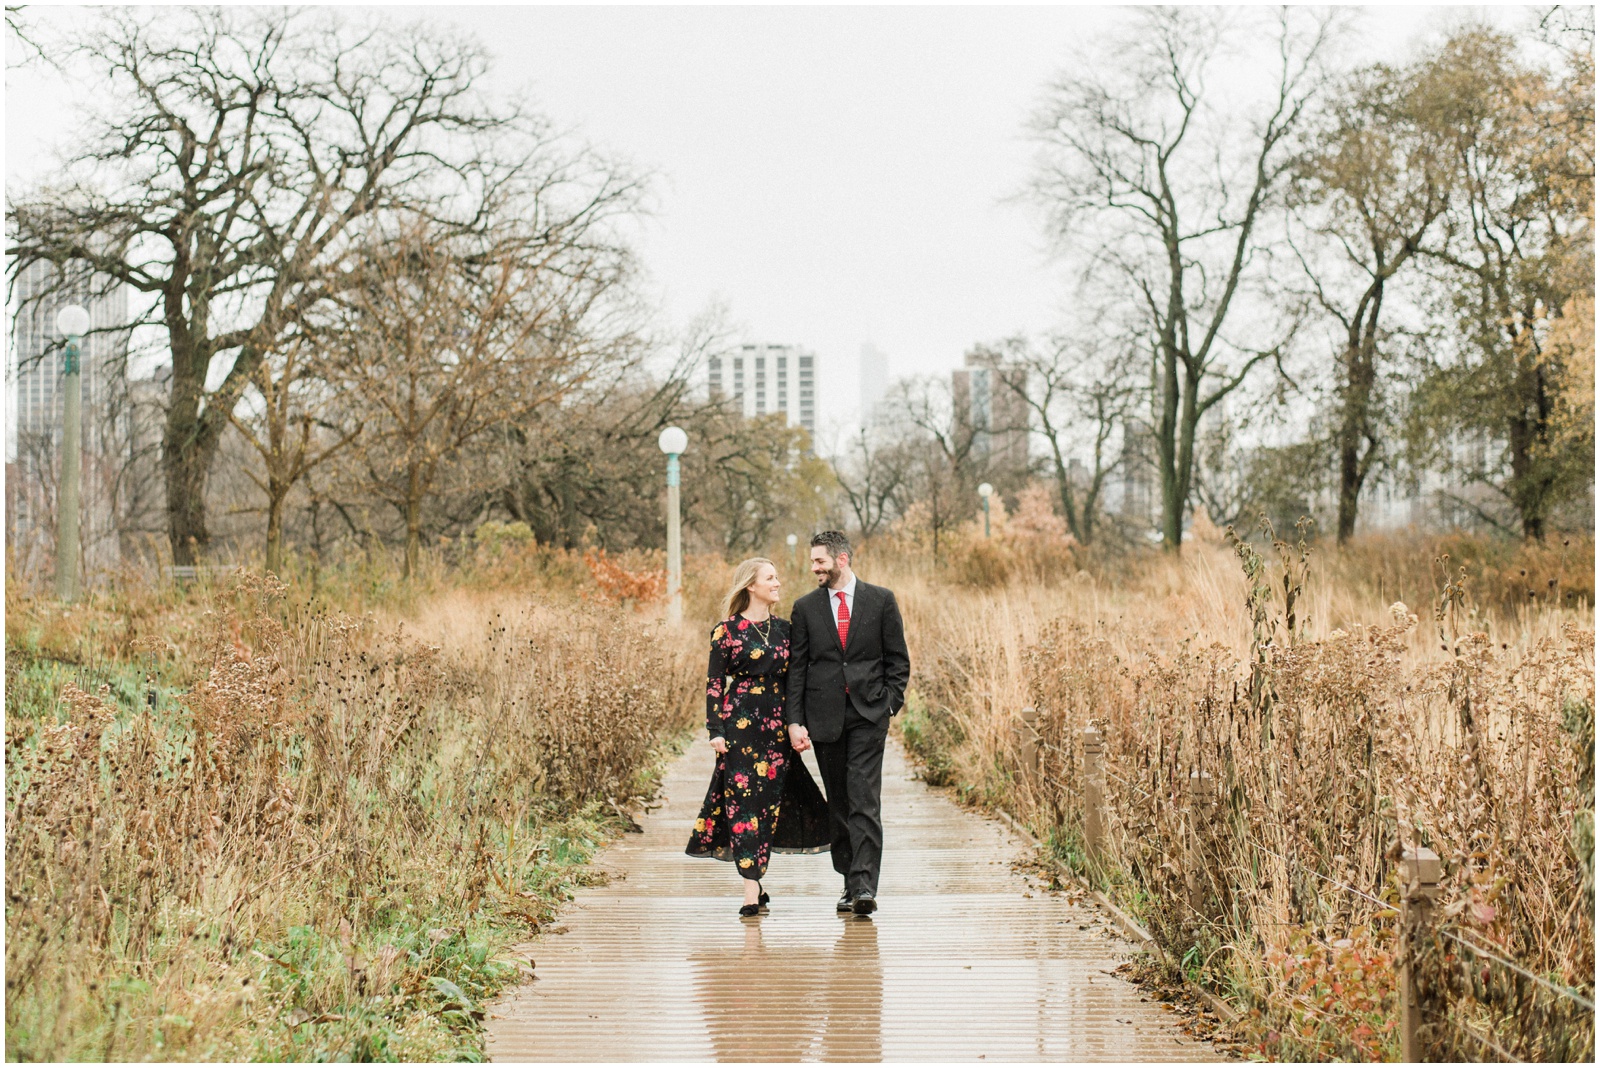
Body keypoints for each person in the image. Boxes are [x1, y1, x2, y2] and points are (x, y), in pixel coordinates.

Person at [686, 557, 831, 916]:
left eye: (777, 577)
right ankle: (751, 890)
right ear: (751, 585)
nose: (778, 583)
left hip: (777, 727)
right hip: (740, 729)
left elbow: (797, 680)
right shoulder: (727, 631)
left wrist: (800, 723)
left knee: (771, 806)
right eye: (770, 578)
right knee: (743, 805)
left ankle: (756, 877)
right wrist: (715, 731)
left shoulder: (786, 630)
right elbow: (715, 684)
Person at [784, 532, 910, 916]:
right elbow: (797, 670)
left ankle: (865, 885)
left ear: (841, 560)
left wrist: (889, 703)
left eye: (819, 561)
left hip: (869, 715)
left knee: (864, 798)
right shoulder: (805, 608)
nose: (814, 568)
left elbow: (897, 660)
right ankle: (848, 882)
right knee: (838, 801)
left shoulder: (881, 600)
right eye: (812, 562)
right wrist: (794, 721)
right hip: (824, 719)